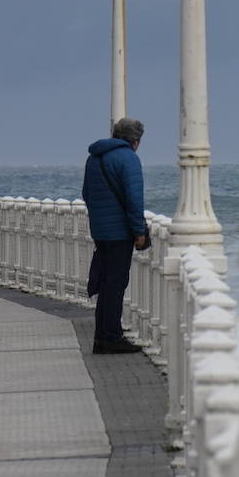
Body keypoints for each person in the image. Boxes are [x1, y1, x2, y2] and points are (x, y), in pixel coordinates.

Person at [82, 117, 149, 354]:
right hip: (119, 232)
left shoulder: (94, 158)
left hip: (100, 230)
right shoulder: (129, 159)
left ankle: (102, 336)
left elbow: (87, 194)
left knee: (105, 282)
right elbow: (134, 199)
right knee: (116, 284)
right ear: (135, 140)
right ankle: (111, 337)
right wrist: (139, 231)